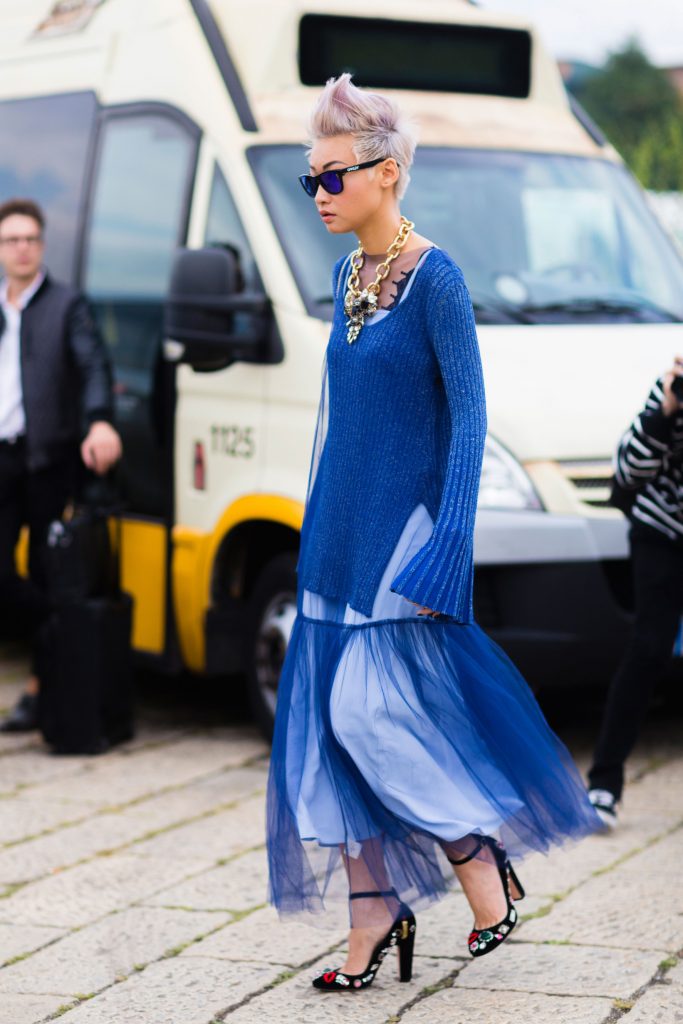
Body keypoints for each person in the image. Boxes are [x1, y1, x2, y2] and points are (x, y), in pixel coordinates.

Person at [266, 75, 601, 993]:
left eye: (331, 177)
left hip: (404, 534)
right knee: (331, 730)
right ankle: (371, 908)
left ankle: (475, 863)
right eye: (312, 180)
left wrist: (451, 536)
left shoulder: (437, 278)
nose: (320, 195)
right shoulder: (346, 277)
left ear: (389, 172)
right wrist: (316, 526)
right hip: (338, 530)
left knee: (367, 716)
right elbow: (345, 421)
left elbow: (469, 416)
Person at [0, 198, 121, 732]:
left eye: (30, 239)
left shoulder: (67, 304)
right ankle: (53, 625)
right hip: (1, 459)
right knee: (9, 578)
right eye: (11, 240)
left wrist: (99, 420)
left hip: (49, 459)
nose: (22, 248)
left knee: (49, 569)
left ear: (42, 246)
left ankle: (41, 689)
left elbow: (94, 364)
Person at [587, 361, 683, 828]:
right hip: (661, 533)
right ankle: (604, 782)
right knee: (648, 650)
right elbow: (627, 470)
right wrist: (664, 411)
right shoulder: (670, 392)